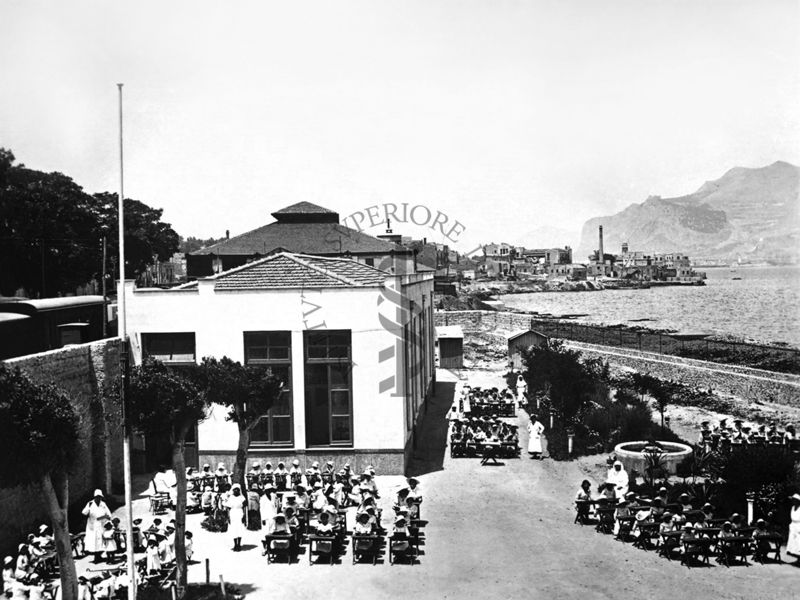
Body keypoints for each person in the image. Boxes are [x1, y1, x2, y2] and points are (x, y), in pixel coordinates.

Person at [82, 489, 112, 563]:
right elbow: (84, 512)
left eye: (99, 497)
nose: (98, 498)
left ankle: (99, 556)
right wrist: (88, 507)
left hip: (101, 524)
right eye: (97, 497)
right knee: (93, 541)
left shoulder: (103, 504)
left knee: (100, 541)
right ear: (94, 497)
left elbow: (108, 514)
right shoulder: (90, 503)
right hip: (92, 525)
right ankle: (96, 557)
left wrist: (104, 517)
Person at [224, 484, 247, 551]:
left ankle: (239, 544)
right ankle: (235, 544)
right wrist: (228, 517)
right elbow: (228, 508)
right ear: (233, 490)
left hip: (240, 513)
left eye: (238, 489)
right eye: (235, 489)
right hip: (233, 513)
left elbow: (244, 507)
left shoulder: (242, 498)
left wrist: (244, 515)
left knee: (239, 528)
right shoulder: (231, 498)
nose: (236, 490)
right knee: (233, 529)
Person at [787, 493, 800, 562]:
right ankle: (798, 559)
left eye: (795, 500)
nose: (794, 501)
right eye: (793, 500)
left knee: (799, 543)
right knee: (793, 544)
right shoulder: (792, 507)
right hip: (793, 526)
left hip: (799, 527)